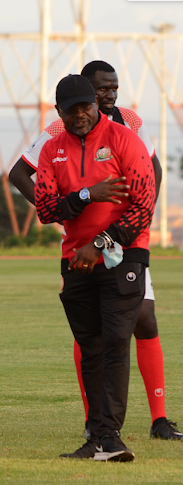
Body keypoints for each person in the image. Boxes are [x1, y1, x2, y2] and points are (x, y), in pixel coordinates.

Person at [9, 61, 180, 440]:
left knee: (141, 321)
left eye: (112, 88)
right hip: (79, 249)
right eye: (101, 89)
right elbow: (23, 176)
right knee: (92, 337)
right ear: (77, 96)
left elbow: (149, 173)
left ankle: (156, 419)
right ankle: (97, 426)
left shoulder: (129, 125)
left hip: (125, 243)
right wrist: (72, 208)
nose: (109, 95)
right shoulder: (58, 133)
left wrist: (129, 221)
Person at [35, 74, 155, 461]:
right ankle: (97, 437)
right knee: (91, 348)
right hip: (76, 262)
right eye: (71, 111)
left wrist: (100, 244)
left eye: (86, 107)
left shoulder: (125, 140)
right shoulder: (51, 149)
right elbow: (46, 209)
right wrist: (87, 195)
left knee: (117, 343)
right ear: (59, 113)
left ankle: (111, 438)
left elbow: (144, 206)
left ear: (95, 104)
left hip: (124, 257)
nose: (80, 116)